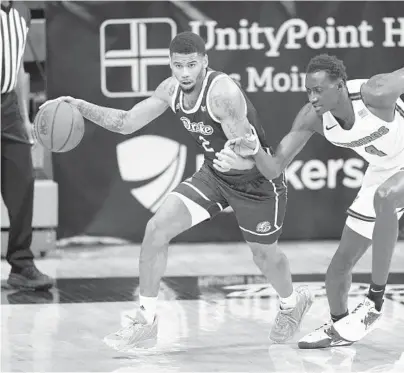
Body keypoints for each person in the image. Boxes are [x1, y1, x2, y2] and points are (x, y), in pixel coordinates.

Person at [41, 31, 313, 349]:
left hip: (256, 181)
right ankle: (146, 320)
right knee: (156, 229)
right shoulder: (170, 90)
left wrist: (237, 160)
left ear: (204, 63)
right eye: (178, 65)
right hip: (214, 174)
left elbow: (249, 154)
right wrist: (80, 107)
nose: (184, 73)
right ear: (170, 64)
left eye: (191, 65)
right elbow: (127, 122)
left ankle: (293, 303)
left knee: (264, 255)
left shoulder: (222, 93)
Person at [215, 54, 404, 348]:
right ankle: (341, 329)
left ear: (340, 85)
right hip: (385, 169)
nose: (312, 97)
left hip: (395, 174)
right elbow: (274, 168)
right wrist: (254, 150)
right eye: (308, 90)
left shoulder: (377, 91)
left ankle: (374, 302)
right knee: (338, 269)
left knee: (385, 197)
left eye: (319, 90)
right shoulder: (312, 117)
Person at [1, 1, 54, 290]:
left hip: (8, 106)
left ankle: (21, 265)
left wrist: (23, 118)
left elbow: (18, 67)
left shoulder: (21, 10)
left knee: (22, 182)